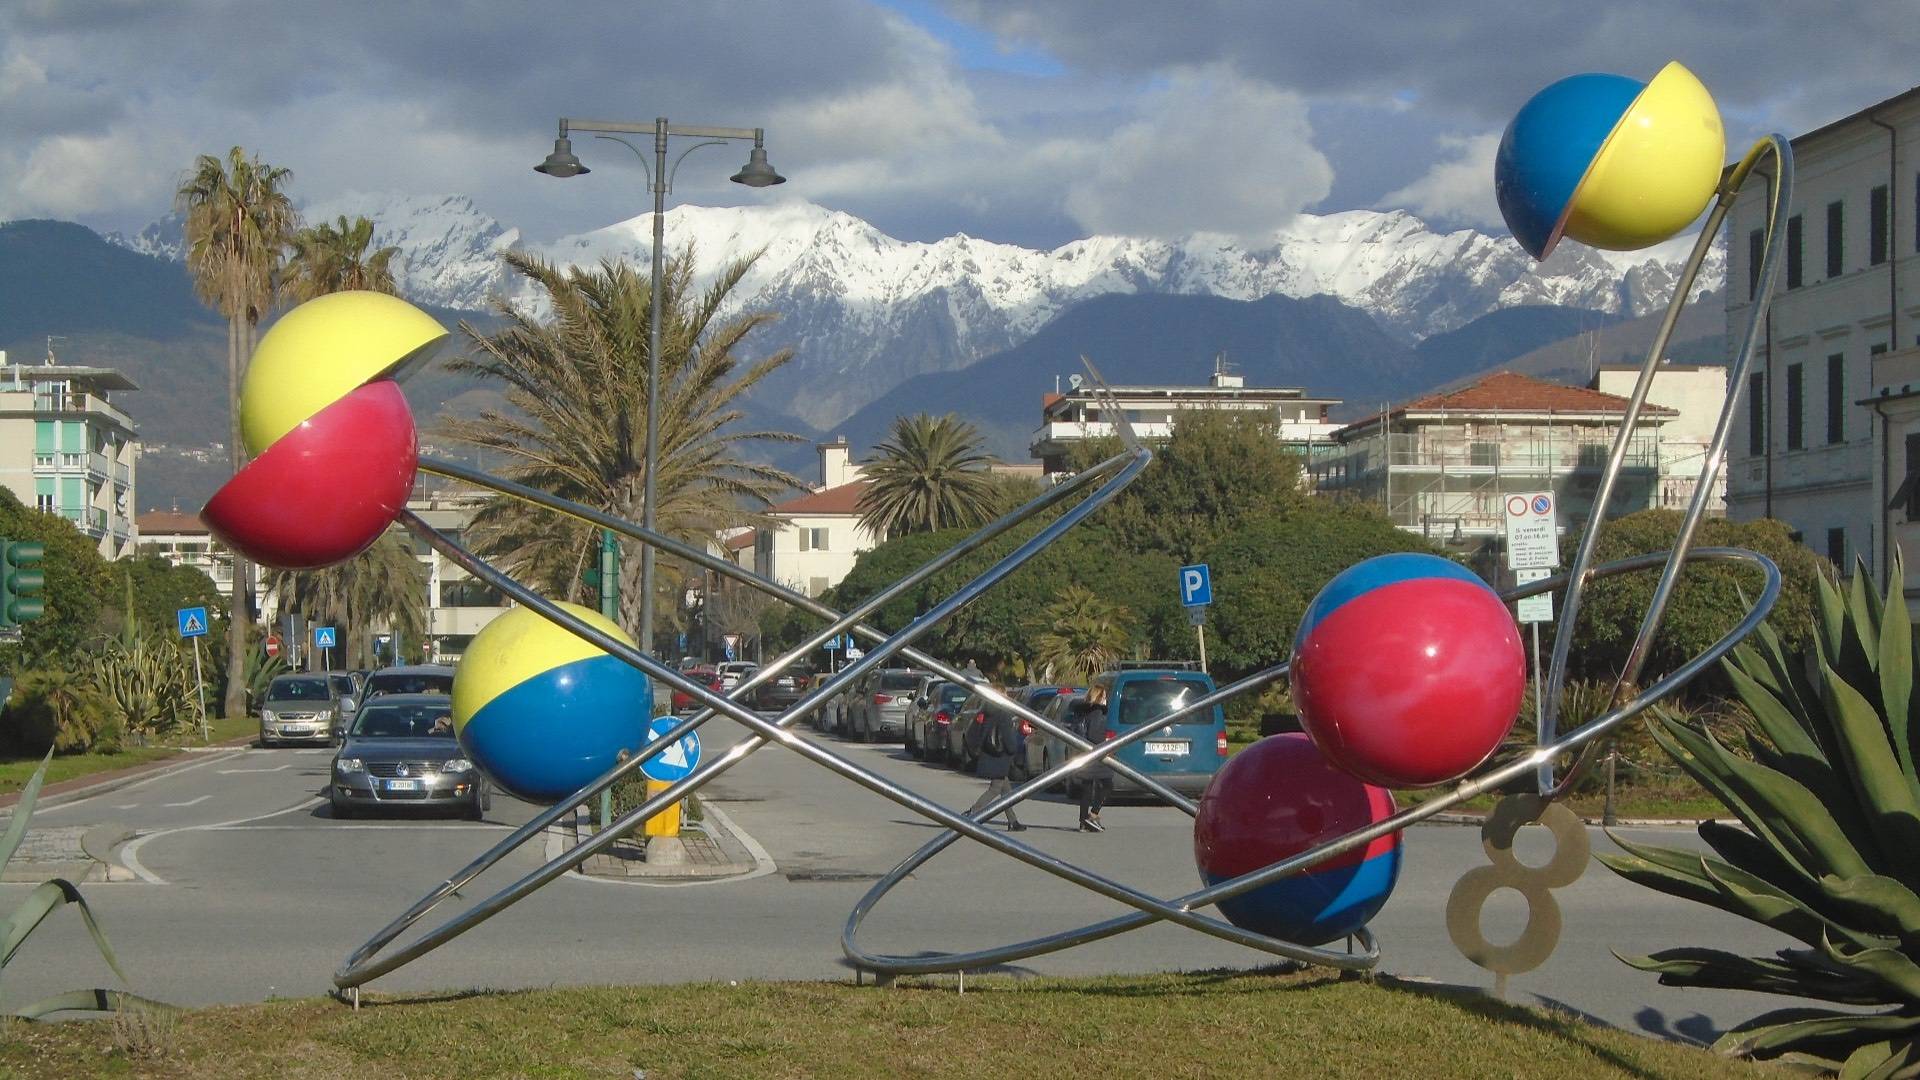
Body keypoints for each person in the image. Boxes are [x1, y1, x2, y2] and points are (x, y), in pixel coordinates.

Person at [965, 705, 1026, 831]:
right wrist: (1013, 750)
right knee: (995, 788)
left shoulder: (988, 711)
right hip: (1001, 756)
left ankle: (1013, 821)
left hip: (990, 754)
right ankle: (973, 812)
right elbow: (1009, 740)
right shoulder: (1004, 714)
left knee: (1006, 791)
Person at [1071, 688, 1114, 833]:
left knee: (1087, 788)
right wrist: (1106, 741)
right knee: (1107, 784)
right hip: (1095, 753)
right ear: (1099, 697)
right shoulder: (1098, 712)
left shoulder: (1082, 711)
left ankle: (1083, 821)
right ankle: (1093, 815)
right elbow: (1094, 734)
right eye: (1105, 696)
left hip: (1083, 753)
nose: (1106, 700)